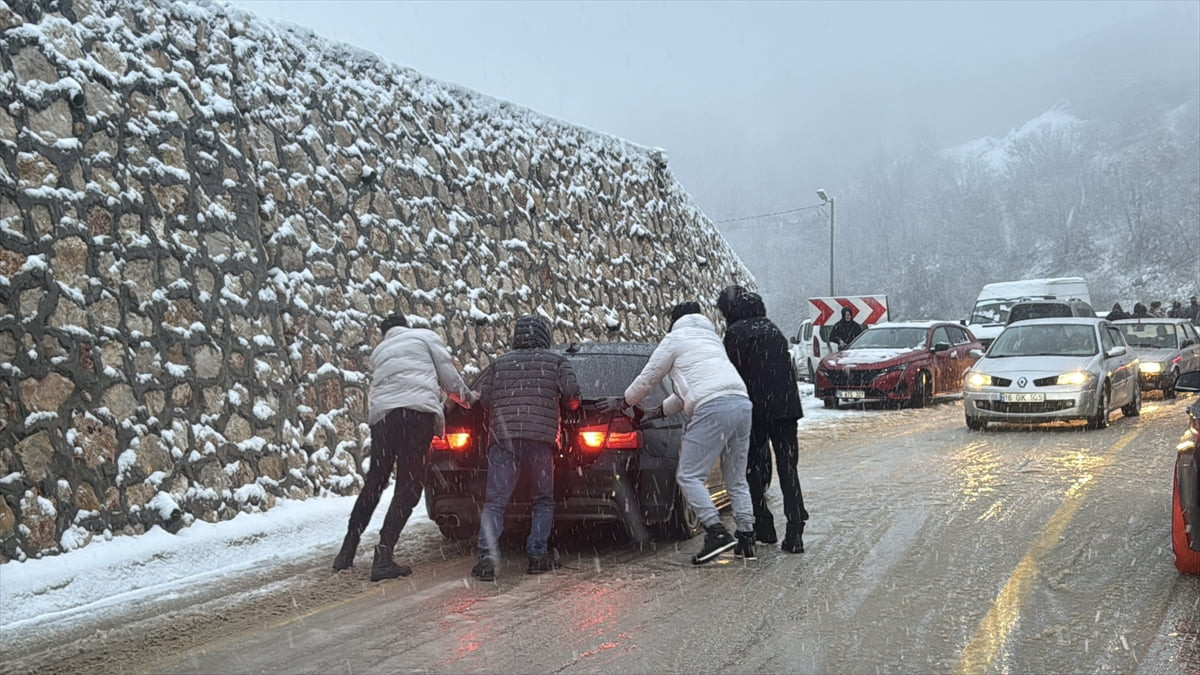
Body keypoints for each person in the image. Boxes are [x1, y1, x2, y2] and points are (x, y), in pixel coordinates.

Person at [599, 301, 755, 565]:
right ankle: (747, 536)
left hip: (712, 407)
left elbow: (648, 377)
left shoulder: (674, 339)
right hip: (741, 403)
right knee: (736, 478)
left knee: (689, 475)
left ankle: (716, 533)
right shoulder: (712, 340)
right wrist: (656, 413)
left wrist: (624, 402)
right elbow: (688, 391)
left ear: (673, 322)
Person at [333, 312, 476, 581]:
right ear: (405, 327)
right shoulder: (424, 337)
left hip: (383, 420)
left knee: (374, 482)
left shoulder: (380, 351)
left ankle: (346, 552)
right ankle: (384, 556)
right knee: (409, 487)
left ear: (384, 333)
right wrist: (469, 400)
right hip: (415, 415)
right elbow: (450, 379)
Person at [472, 315, 581, 581]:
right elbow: (573, 396)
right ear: (545, 336)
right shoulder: (556, 361)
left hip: (504, 440)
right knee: (542, 499)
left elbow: (484, 399)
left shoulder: (500, 363)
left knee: (495, 501)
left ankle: (486, 558)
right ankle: (537, 555)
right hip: (540, 441)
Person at [716, 286, 809, 554]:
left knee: (752, 468)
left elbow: (731, 376)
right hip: (787, 409)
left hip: (755, 410)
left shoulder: (735, 334)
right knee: (788, 467)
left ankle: (763, 524)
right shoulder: (773, 330)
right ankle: (795, 528)